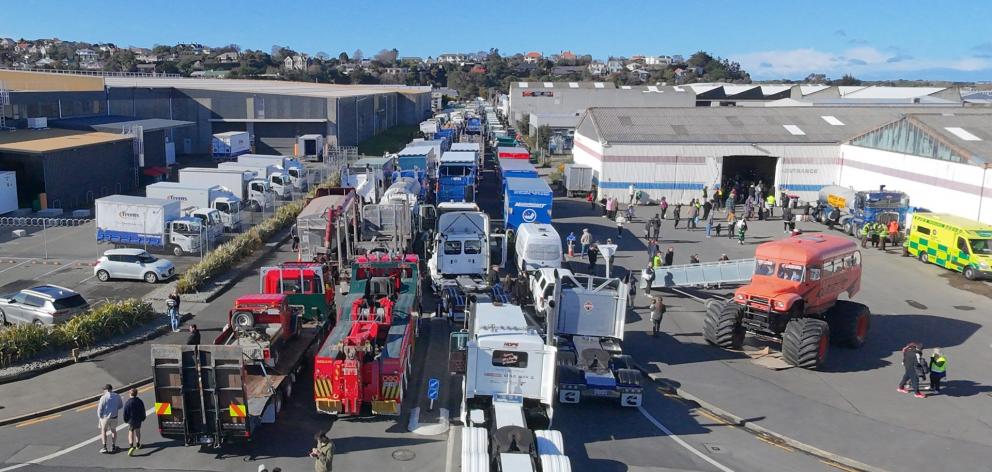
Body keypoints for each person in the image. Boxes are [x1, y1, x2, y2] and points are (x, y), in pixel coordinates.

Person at [98, 384, 123, 453]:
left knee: (103, 431)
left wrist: (100, 416)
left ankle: (104, 447)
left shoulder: (103, 397)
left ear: (106, 390)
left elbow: (100, 409)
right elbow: (120, 406)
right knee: (113, 431)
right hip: (114, 416)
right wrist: (114, 409)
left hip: (105, 417)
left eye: (104, 390)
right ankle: (113, 446)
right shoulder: (117, 396)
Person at [122, 388, 145, 456]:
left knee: (131, 432)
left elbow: (125, 412)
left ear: (130, 394)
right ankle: (138, 445)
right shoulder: (139, 401)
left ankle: (131, 446)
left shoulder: (128, 402)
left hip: (131, 420)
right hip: (138, 419)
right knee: (138, 431)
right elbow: (143, 410)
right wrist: (143, 417)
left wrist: (125, 419)